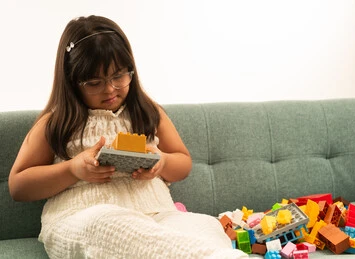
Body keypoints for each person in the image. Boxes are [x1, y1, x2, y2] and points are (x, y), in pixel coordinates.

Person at [8, 15, 248, 258]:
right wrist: (72, 169)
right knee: (106, 225)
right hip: (84, 216)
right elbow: (18, 186)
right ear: (72, 82)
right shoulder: (58, 121)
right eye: (94, 82)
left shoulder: (147, 112)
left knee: (205, 227)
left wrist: (161, 161)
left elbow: (183, 163)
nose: (110, 88)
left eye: (119, 76)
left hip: (156, 215)